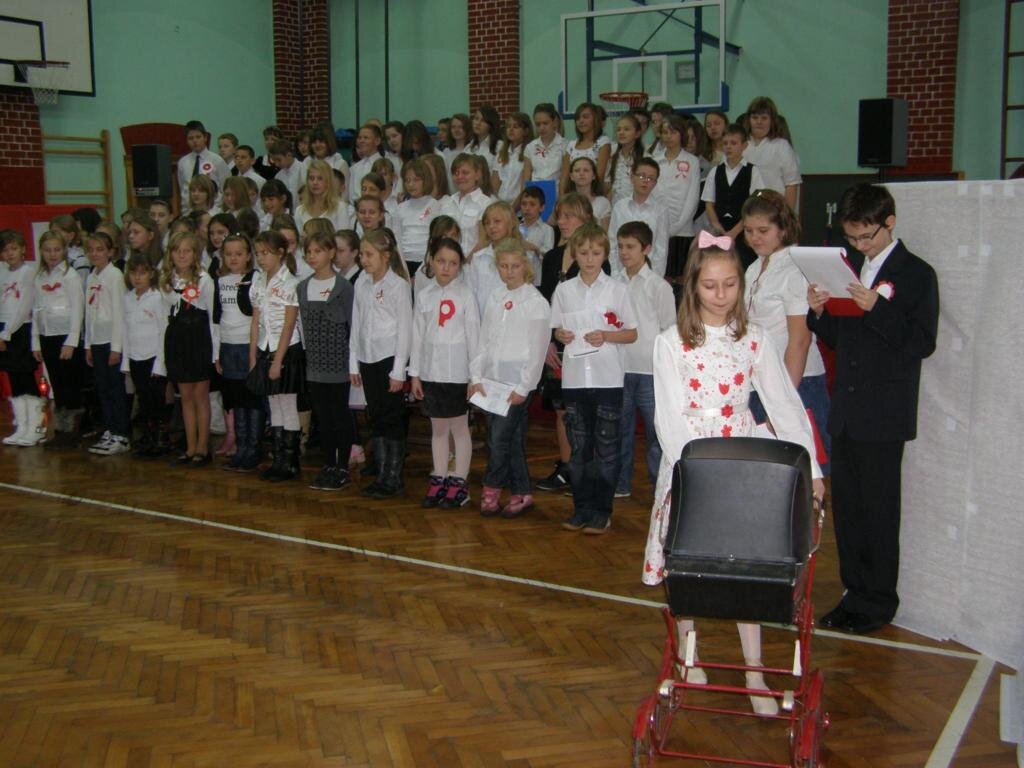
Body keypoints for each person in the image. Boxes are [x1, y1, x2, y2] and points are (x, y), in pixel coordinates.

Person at [643, 230, 824, 715]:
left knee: (747, 568)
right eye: (710, 286)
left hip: (743, 458)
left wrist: (811, 466)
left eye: (730, 285)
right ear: (692, 287)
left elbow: (784, 404)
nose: (721, 295)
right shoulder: (670, 343)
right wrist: (699, 477)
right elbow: (669, 419)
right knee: (689, 562)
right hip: (693, 461)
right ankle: (688, 656)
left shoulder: (754, 338)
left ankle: (755, 672)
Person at [807, 183, 939, 635]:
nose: (860, 245)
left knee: (879, 512)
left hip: (884, 413)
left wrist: (876, 308)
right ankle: (853, 593)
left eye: (867, 237)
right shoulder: (851, 268)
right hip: (847, 408)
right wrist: (820, 313)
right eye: (852, 238)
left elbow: (922, 342)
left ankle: (879, 602)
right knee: (849, 512)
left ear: (890, 223)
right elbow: (841, 340)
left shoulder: (916, 273)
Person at [550, 222, 638, 534]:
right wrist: (561, 334)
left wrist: (607, 335)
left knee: (607, 448)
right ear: (575, 253)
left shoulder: (617, 290)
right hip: (575, 379)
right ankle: (581, 508)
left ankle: (602, 510)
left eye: (596, 253)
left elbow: (632, 333)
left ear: (605, 255)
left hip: (607, 378)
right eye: (584, 252)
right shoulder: (564, 290)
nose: (589, 259)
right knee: (579, 449)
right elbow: (557, 329)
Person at [741, 189, 829, 469]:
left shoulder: (794, 269)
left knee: (800, 472)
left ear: (782, 228)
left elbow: (800, 341)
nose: (754, 238)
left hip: (796, 382)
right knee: (764, 471)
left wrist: (782, 403)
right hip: (761, 380)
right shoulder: (753, 268)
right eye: (749, 231)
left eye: (763, 230)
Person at [469, 238, 550, 517]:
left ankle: (491, 490)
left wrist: (524, 387)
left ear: (525, 266)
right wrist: (476, 375)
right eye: (503, 266)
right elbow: (484, 339)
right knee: (511, 439)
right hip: (491, 381)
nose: (509, 271)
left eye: (515, 266)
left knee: (498, 439)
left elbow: (538, 350)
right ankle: (522, 492)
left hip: (517, 384)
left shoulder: (536, 303)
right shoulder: (495, 297)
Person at [409, 237, 480, 508]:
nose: (446, 268)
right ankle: (439, 478)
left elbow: (474, 338)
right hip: (431, 372)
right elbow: (417, 336)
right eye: (441, 261)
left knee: (459, 428)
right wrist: (415, 374)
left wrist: (474, 377)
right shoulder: (424, 296)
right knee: (438, 429)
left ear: (460, 266)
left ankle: (459, 482)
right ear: (431, 261)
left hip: (457, 373)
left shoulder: (466, 295)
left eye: (452, 263)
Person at [536, 193, 597, 493]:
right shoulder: (551, 257)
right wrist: (547, 340)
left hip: (586, 344)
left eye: (569, 216)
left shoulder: (595, 257)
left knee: (582, 410)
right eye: (560, 216)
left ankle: (586, 468)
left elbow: (598, 307)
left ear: (585, 219)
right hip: (557, 343)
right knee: (561, 409)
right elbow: (545, 303)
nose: (562, 221)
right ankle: (566, 468)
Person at [613, 221, 676, 499]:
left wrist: (665, 371)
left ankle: (660, 486)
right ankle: (621, 483)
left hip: (650, 372)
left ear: (647, 249)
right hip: (619, 369)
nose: (624, 252)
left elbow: (669, 330)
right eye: (620, 247)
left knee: (655, 435)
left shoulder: (658, 286)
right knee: (621, 431)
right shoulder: (614, 283)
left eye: (630, 247)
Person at [349, 229, 412, 498]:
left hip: (388, 359)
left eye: (369, 254)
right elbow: (356, 324)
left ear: (385, 256)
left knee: (391, 417)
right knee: (375, 416)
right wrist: (353, 363)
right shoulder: (361, 283)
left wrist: (398, 371)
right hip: (367, 358)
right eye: (362, 254)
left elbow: (405, 330)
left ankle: (393, 478)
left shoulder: (398, 286)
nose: (364, 260)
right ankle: (382, 472)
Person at [297, 230, 355, 491]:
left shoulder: (343, 287)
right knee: (323, 418)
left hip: (339, 365)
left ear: (331, 253)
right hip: (315, 365)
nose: (312, 256)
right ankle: (329, 464)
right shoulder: (302, 287)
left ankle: (342, 466)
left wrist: (353, 364)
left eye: (318, 251)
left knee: (340, 416)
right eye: (308, 252)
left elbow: (352, 327)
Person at [249, 230, 304, 481]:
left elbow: (289, 325)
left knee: (287, 404)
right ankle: (278, 459)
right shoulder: (258, 281)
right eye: (258, 253)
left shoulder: (290, 283)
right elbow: (256, 322)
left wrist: (278, 360)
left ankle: (290, 462)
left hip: (286, 350)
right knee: (274, 404)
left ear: (281, 253)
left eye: (266, 253)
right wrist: (253, 356)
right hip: (265, 347)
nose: (261, 258)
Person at [160, 231, 217, 465]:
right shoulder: (166, 280)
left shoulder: (204, 280)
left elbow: (213, 319)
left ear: (195, 254)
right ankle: (190, 446)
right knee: (184, 396)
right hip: (177, 340)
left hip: (199, 339)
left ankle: (203, 446)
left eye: (187, 251)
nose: (182, 255)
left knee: (200, 395)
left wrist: (215, 353)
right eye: (177, 251)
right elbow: (164, 316)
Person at [31, 231, 85, 447]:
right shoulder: (40, 277)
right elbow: (36, 311)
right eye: (47, 250)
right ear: (41, 252)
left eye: (57, 250)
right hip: (47, 336)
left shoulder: (70, 276)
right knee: (57, 384)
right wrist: (36, 341)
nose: (52, 254)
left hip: (65, 337)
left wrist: (71, 341)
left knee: (70, 383)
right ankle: (61, 428)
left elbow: (77, 310)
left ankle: (72, 430)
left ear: (64, 250)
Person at [84, 231, 130, 455]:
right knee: (102, 389)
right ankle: (110, 430)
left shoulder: (115, 276)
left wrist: (116, 347)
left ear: (110, 252)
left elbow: (120, 314)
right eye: (91, 250)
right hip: (97, 341)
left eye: (100, 249)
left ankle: (122, 434)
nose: (95, 254)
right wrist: (88, 344)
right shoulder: (91, 276)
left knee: (115, 389)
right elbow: (89, 313)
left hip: (112, 342)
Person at [121, 254, 168, 458]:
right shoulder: (128, 298)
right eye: (133, 273)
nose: (137, 277)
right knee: (143, 400)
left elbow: (163, 331)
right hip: (135, 358)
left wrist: (160, 363)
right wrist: (126, 362)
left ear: (151, 274)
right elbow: (125, 331)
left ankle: (159, 439)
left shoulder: (157, 298)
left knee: (156, 401)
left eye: (142, 273)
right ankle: (148, 438)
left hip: (153, 358)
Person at [702, 123, 766, 268]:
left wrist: (734, 232)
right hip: (720, 228)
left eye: (733, 143)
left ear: (744, 145)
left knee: (743, 266)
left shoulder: (753, 171)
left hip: (743, 229)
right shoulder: (715, 171)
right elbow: (709, 203)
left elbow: (755, 205)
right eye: (725, 143)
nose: (728, 147)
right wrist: (717, 226)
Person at [0, 230, 40, 447]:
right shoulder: (3, 273)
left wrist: (6, 333)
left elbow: (23, 307)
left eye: (14, 248)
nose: (10, 253)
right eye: (5, 250)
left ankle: (36, 426)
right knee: (14, 378)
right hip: (4, 331)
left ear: (23, 249)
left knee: (25, 377)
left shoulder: (28, 272)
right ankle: (22, 426)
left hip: (20, 330)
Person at [655, 115, 702, 280]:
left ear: (682, 134)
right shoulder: (654, 161)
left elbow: (692, 198)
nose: (669, 136)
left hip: (683, 230)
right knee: (661, 278)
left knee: (682, 279)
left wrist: (676, 227)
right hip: (658, 229)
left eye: (673, 132)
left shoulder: (692, 161)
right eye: (665, 132)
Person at [607, 157, 669, 276]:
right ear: (632, 177)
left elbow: (661, 249)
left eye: (650, 178)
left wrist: (654, 278)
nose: (645, 181)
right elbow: (612, 243)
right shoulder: (620, 207)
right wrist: (615, 273)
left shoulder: (660, 211)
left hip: (648, 274)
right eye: (641, 176)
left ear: (655, 183)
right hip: (620, 273)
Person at [468, 201, 527, 315]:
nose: (491, 226)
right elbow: (471, 295)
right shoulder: (478, 258)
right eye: (487, 223)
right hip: (482, 318)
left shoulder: (521, 256)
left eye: (497, 221)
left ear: (510, 223)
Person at [742, 96, 801, 210]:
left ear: (772, 121)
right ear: (749, 119)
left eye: (764, 118)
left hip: (775, 210)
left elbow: (791, 184)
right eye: (755, 117)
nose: (759, 122)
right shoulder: (740, 145)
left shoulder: (781, 146)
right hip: (745, 210)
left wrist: (787, 214)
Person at [440, 153, 496, 259]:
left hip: (474, 262)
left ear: (477, 175)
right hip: (447, 262)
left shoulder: (486, 203)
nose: (460, 177)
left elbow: (484, 240)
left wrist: (464, 263)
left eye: (465, 172)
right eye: (456, 173)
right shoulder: (447, 202)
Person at [393, 159, 439, 276]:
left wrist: (426, 265)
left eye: (416, 180)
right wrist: (402, 267)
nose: (411, 184)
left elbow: (436, 238)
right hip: (405, 262)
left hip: (426, 262)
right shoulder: (401, 208)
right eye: (407, 180)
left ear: (426, 180)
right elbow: (397, 238)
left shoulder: (434, 205)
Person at [176, 120, 229, 211]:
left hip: (212, 211)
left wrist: (216, 209)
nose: (195, 141)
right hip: (189, 211)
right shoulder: (182, 162)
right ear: (186, 141)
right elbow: (183, 188)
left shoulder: (217, 161)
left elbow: (225, 188)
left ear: (205, 138)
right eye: (191, 138)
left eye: (198, 137)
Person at [562, 103, 611, 189]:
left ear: (595, 119)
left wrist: (588, 195)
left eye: (585, 117)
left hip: (594, 193)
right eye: (578, 118)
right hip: (573, 194)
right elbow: (564, 178)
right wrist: (562, 195)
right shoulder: (571, 145)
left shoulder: (603, 142)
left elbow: (599, 176)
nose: (581, 121)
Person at [295, 159, 351, 232]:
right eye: (311, 178)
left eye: (320, 178)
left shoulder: (340, 207)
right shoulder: (300, 211)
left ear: (328, 181)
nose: (315, 182)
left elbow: (344, 236)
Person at [521, 103, 564, 187]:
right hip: (535, 192)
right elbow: (526, 177)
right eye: (538, 124)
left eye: (545, 123)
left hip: (556, 192)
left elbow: (565, 176)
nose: (541, 128)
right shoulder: (530, 147)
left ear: (554, 122)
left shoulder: (565, 145)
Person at [606, 113, 644, 206]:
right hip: (616, 207)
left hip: (636, 207)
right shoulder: (613, 157)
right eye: (618, 129)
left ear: (637, 133)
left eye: (626, 129)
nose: (621, 133)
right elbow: (610, 187)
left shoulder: (645, 158)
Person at [562, 157, 611, 230]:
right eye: (577, 170)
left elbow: (605, 232)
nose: (581, 173)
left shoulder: (603, 202)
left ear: (594, 175)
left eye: (586, 170)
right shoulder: (564, 202)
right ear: (571, 176)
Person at [495, 112, 532, 203]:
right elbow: (495, 184)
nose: (511, 129)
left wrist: (513, 208)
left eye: (516, 127)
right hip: (500, 204)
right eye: (508, 126)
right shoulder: (501, 153)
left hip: (519, 205)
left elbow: (525, 187)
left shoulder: (529, 153)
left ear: (526, 131)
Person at [467, 105, 503, 190]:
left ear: (491, 125)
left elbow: (498, 179)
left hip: (489, 193)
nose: (478, 123)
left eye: (483, 121)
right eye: (476, 118)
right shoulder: (469, 147)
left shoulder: (500, 146)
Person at [349, 124, 387, 201]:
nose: (361, 141)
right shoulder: (354, 168)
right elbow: (351, 196)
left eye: (366, 138)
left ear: (377, 141)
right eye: (359, 138)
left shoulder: (386, 165)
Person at [519, 186, 555, 263]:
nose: (527, 208)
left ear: (542, 207)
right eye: (524, 204)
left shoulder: (547, 230)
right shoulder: (515, 227)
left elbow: (549, 259)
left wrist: (535, 248)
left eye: (532, 204)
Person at [270, 139, 306, 205]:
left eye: (279, 160)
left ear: (289, 155)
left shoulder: (304, 169)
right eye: (274, 161)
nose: (276, 164)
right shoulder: (278, 176)